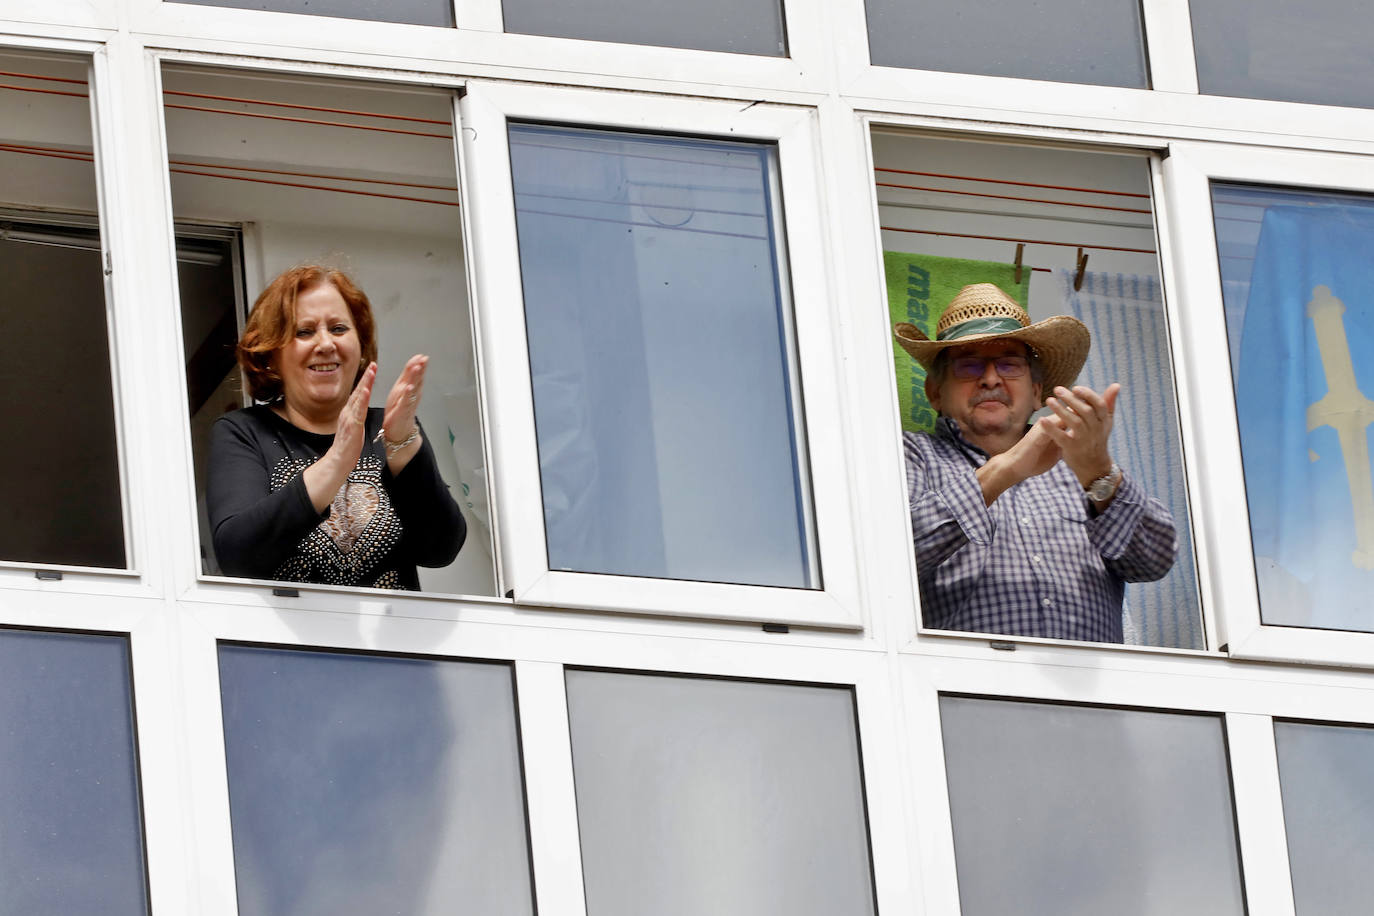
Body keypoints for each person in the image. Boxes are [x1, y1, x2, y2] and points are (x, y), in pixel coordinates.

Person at [894, 283, 1176, 643]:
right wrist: (1006, 469)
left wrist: (1099, 474)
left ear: (1037, 392)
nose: (990, 378)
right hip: (963, 678)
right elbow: (888, 560)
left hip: (1093, 680)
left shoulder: (1081, 464)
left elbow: (1154, 562)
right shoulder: (910, 454)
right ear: (935, 393)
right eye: (968, 365)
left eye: (1009, 364)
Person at [208, 265, 465, 589]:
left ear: (360, 345)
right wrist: (336, 461)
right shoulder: (244, 432)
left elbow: (440, 550)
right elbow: (237, 556)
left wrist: (403, 443)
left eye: (339, 329)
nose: (326, 344)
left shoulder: (388, 427)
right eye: (304, 332)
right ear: (271, 355)